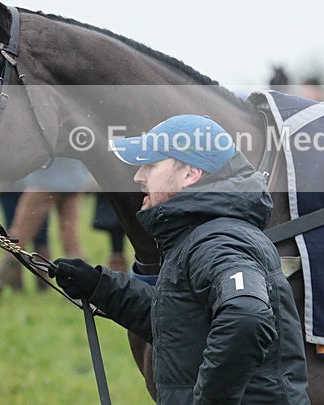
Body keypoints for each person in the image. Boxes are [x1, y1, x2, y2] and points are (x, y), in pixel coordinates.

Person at [52, 115, 309, 403]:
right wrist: (102, 287)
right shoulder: (199, 235)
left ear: (190, 174)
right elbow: (181, 323)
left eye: (151, 164)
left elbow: (247, 318)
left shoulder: (218, 241)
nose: (139, 176)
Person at [0, 157, 93, 301]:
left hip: (45, 181)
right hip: (73, 180)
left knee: (18, 235)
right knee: (71, 239)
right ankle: (81, 291)